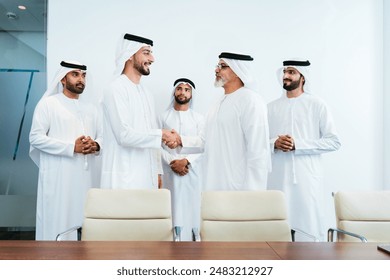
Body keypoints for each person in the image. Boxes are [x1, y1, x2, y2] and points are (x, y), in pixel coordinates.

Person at [267, 59, 341, 241]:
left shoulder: (317, 105)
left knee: (308, 228)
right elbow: (258, 142)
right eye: (285, 72)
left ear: (303, 77)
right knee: (277, 228)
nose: (286, 76)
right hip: (277, 176)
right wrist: (274, 143)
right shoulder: (270, 108)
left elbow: (333, 141)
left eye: (291, 72)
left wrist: (298, 145)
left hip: (307, 178)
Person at [173, 52, 270, 190]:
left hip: (240, 187)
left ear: (238, 71)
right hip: (213, 182)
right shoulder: (217, 103)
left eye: (223, 66)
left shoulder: (251, 101)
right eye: (218, 66)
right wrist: (180, 140)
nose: (216, 70)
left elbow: (258, 151)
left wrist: (254, 194)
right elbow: (206, 140)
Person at [29, 60, 102, 240]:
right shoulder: (48, 104)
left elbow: (104, 136)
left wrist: (97, 145)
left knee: (84, 218)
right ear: (63, 78)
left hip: (86, 177)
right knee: (58, 219)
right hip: (59, 177)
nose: (81, 79)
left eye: (83, 75)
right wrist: (72, 148)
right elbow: (35, 138)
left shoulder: (92, 108)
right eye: (75, 74)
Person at [100, 33, 178, 189]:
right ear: (130, 55)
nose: (152, 59)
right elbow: (124, 135)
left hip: (146, 175)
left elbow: (151, 135)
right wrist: (162, 134)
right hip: (123, 176)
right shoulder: (116, 89)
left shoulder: (147, 93)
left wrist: (157, 171)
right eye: (146, 52)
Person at [158, 78, 204, 241]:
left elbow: (204, 145)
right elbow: (156, 145)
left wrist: (186, 161)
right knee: (172, 205)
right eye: (179, 88)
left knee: (193, 205)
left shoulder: (199, 118)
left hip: (192, 170)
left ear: (191, 94)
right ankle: (173, 240)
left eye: (187, 89)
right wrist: (172, 161)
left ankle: (194, 237)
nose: (182, 92)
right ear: (174, 92)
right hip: (168, 170)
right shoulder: (163, 117)